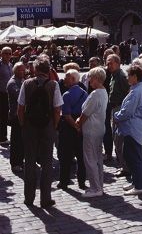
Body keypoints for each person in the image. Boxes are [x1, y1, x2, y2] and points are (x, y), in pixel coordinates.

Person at [17, 55, 63, 208]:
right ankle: (45, 198)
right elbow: (57, 109)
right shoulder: (54, 85)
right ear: (48, 70)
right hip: (47, 126)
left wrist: (24, 124)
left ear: (35, 69)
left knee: (29, 162)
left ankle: (29, 198)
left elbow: (20, 108)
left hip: (30, 127)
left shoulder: (26, 83)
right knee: (47, 163)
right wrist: (54, 125)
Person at [113, 65, 142, 195]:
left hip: (133, 129)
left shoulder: (136, 91)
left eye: (129, 75)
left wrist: (116, 116)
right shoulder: (136, 89)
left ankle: (139, 186)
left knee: (134, 157)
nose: (127, 78)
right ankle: (135, 182)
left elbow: (127, 111)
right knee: (130, 156)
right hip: (132, 128)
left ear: (135, 77)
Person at [76, 66, 109, 198]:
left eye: (91, 78)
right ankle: (98, 185)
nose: (89, 81)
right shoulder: (103, 91)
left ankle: (95, 188)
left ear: (96, 79)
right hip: (99, 128)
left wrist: (78, 122)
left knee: (90, 159)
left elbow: (85, 113)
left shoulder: (95, 94)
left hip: (91, 130)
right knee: (97, 158)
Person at [57, 69, 88, 190]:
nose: (64, 79)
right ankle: (82, 182)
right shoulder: (84, 93)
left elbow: (66, 115)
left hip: (68, 128)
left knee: (65, 156)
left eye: (67, 77)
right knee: (81, 156)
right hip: (81, 125)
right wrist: (79, 126)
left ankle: (63, 182)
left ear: (73, 79)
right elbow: (85, 112)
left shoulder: (66, 95)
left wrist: (74, 126)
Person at [106, 53, 130, 177]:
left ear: (117, 63)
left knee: (120, 139)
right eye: (107, 63)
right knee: (116, 138)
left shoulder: (121, 76)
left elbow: (128, 93)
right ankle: (123, 165)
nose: (108, 65)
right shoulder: (113, 76)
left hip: (120, 109)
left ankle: (125, 167)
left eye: (111, 63)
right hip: (114, 108)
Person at [7, 61, 26, 171]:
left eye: (23, 69)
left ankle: (20, 160)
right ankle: (15, 163)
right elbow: (20, 96)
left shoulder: (22, 80)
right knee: (16, 140)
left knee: (22, 139)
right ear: (15, 70)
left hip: (23, 114)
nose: (23, 72)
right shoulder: (12, 82)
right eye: (20, 70)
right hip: (16, 115)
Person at [0, 47, 13, 146]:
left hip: (8, 94)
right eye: (6, 53)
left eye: (9, 53)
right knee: (2, 116)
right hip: (1, 94)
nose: (8, 55)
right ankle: (2, 137)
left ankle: (3, 136)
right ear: (1, 54)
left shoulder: (10, 65)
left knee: (5, 116)